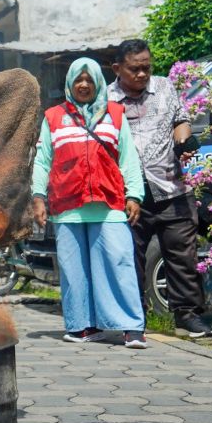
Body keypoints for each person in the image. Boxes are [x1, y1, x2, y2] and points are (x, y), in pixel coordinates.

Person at [33, 58, 148, 347]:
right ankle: (82, 326)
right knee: (73, 271)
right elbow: (43, 161)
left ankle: (131, 327)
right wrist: (38, 197)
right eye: (78, 79)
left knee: (119, 263)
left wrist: (134, 195)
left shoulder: (115, 114)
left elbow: (128, 157)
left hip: (109, 204)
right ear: (70, 83)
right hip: (67, 206)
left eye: (89, 79)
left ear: (98, 82)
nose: (83, 84)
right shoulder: (53, 117)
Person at [109, 38, 212, 338]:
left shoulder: (165, 87)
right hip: (128, 193)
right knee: (129, 258)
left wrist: (183, 142)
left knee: (183, 256)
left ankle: (187, 316)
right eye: (134, 69)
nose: (142, 74)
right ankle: (134, 319)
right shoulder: (106, 98)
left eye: (147, 67)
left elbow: (181, 120)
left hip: (171, 187)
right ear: (117, 69)